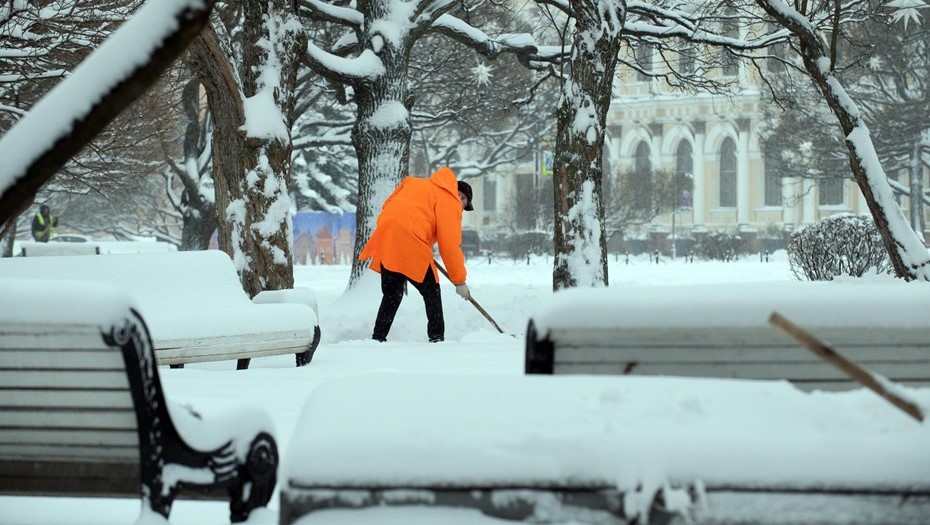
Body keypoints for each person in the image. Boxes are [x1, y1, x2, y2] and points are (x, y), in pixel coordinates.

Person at [359, 166, 474, 343]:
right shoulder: (450, 200)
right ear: (460, 195)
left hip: (388, 235)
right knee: (432, 292)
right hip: (410, 238)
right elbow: (450, 245)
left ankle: (378, 338)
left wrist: (411, 232)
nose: (462, 208)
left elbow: (387, 204)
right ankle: (437, 338)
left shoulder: (414, 183)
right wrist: (459, 280)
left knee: (392, 294)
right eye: (464, 205)